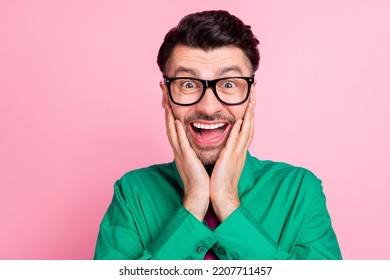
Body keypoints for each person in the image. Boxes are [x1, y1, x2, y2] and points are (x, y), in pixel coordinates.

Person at [93, 10, 342, 260]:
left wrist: (227, 200)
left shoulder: (299, 190)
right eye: (188, 84)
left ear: (252, 94)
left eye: (229, 84)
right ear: (166, 95)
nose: (209, 107)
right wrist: (193, 202)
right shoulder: (133, 192)